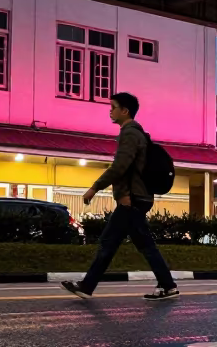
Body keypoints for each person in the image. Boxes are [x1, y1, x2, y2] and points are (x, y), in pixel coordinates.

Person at [62, 92, 179, 301]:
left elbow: (121, 167)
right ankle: (168, 286)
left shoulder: (130, 133)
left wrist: (95, 188)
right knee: (142, 244)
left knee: (109, 241)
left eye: (113, 107)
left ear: (125, 111)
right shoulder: (135, 133)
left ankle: (87, 286)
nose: (110, 111)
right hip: (137, 197)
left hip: (132, 199)